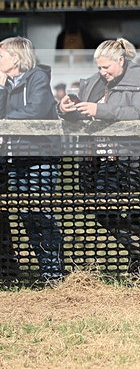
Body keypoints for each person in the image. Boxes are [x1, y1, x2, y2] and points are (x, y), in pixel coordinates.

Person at [58, 38, 140, 273]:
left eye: (106, 67)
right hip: (96, 160)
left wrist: (99, 110)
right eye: (99, 67)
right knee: (99, 207)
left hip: (130, 159)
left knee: (136, 214)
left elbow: (138, 114)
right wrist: (64, 110)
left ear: (120, 60)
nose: (102, 72)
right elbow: (81, 114)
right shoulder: (93, 82)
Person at [0, 37, 65, 281]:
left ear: (15, 58)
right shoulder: (5, 83)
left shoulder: (37, 77)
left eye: (2, 56)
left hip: (40, 155)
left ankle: (54, 272)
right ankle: (46, 270)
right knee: (27, 215)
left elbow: (35, 112)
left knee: (40, 213)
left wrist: (7, 119)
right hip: (16, 157)